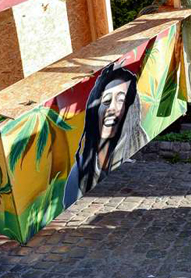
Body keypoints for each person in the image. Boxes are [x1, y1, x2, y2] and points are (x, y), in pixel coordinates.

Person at [63, 63, 148, 208]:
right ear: (95, 109)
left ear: (130, 109)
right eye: (106, 101)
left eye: (121, 100)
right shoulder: (80, 170)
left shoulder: (140, 148)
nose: (111, 108)